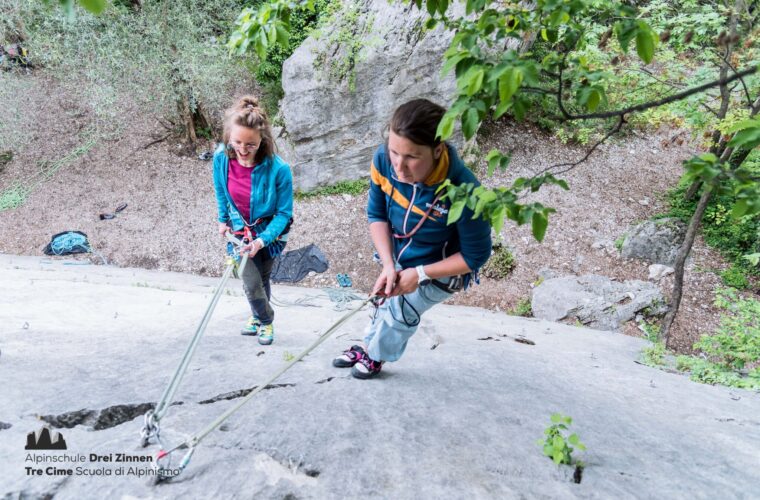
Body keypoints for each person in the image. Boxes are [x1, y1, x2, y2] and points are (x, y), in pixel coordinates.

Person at [333, 98, 492, 379]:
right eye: (395, 152)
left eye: (412, 157)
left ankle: (375, 355)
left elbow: (475, 256)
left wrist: (419, 274)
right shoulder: (383, 160)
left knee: (400, 312)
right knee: (383, 301)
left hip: (440, 270)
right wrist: (387, 265)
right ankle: (369, 346)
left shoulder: (465, 192)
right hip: (400, 256)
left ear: (438, 149)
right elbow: (376, 213)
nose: (399, 167)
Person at [212, 95, 293, 345]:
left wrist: (262, 240)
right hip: (238, 232)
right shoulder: (221, 158)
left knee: (262, 278)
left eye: (251, 144)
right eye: (237, 142)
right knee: (250, 281)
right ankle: (266, 319)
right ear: (229, 138)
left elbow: (284, 214)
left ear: (263, 141)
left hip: (270, 232)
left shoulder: (279, 169)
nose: (243, 150)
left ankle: (257, 317)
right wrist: (222, 219)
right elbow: (220, 189)